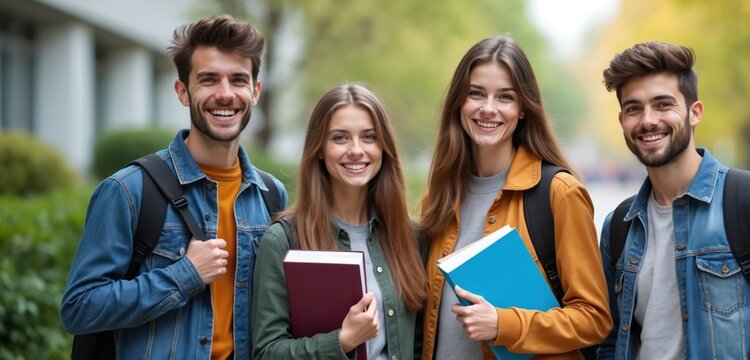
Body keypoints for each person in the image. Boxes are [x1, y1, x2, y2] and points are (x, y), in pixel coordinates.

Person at [60, 15, 288, 360]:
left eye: (238, 80)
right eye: (209, 80)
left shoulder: (271, 195)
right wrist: (185, 274)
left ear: (254, 92)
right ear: (183, 91)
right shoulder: (128, 190)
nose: (225, 94)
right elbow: (79, 308)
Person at [597, 41, 750, 359]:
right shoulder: (618, 227)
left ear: (695, 113)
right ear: (622, 119)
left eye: (663, 104)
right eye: (634, 108)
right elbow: (609, 343)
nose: (648, 120)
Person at [418, 35, 612, 359]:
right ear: (459, 103)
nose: (488, 108)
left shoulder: (559, 193)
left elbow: (594, 319)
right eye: (476, 94)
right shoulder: (439, 199)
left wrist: (503, 325)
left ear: (522, 108)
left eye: (505, 97)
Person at [252, 84, 428, 359]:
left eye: (369, 137)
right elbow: (267, 352)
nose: (356, 150)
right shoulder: (284, 241)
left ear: (383, 147)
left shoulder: (410, 237)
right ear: (320, 149)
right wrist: (342, 341)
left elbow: (418, 344)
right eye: (340, 138)